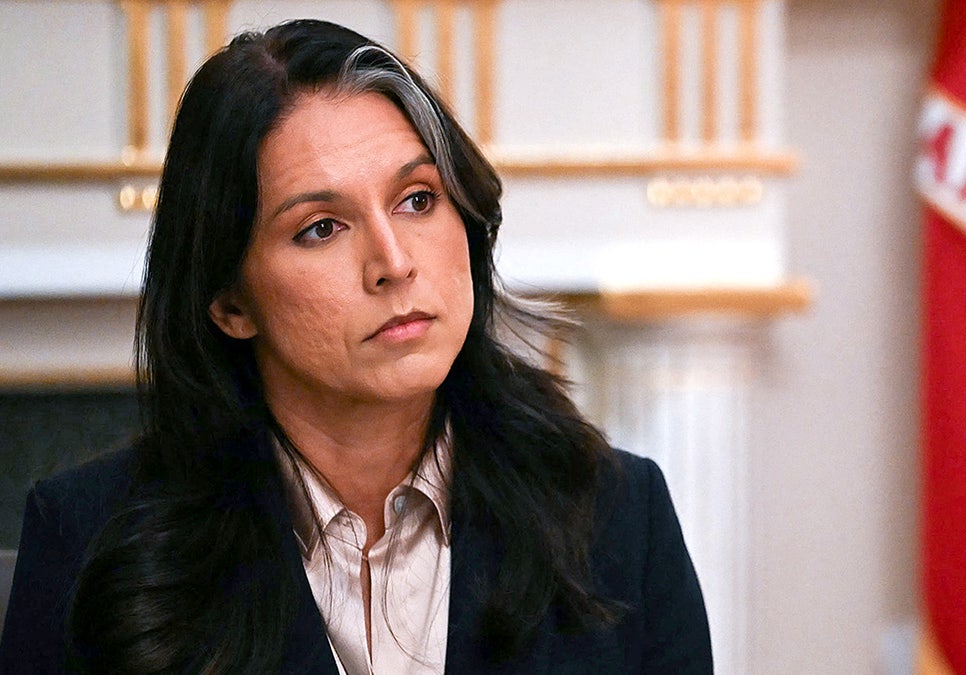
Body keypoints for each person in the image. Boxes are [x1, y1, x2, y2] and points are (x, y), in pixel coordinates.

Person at [0, 19, 711, 674]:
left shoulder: (620, 516)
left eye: (418, 199)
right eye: (321, 227)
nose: (394, 261)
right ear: (229, 300)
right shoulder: (84, 536)